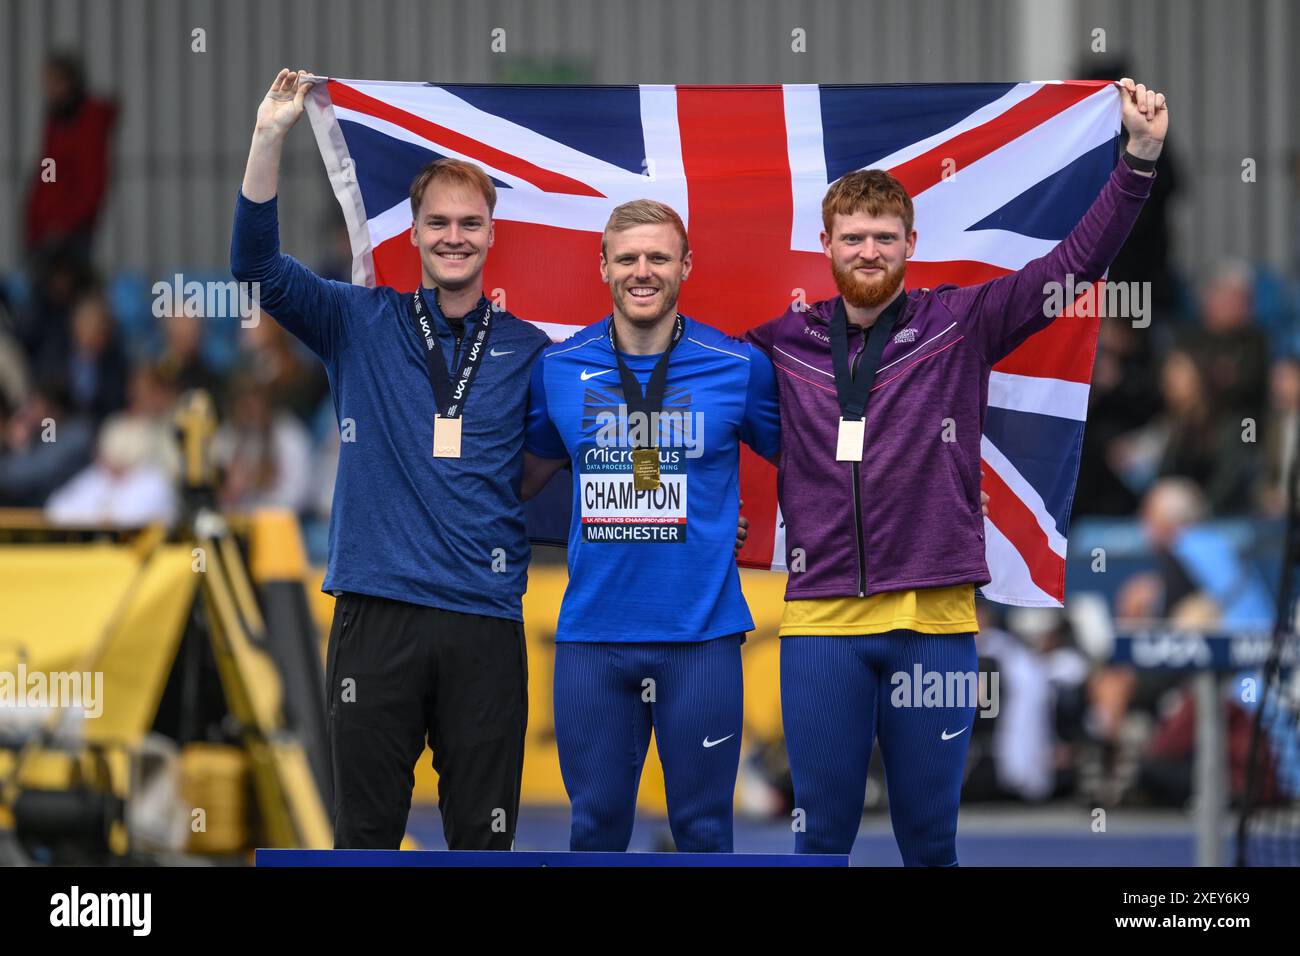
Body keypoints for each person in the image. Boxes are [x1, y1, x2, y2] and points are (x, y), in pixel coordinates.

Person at [745, 78, 1168, 863]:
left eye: (882, 237)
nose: (867, 251)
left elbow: (1076, 265)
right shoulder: (781, 342)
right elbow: (694, 399)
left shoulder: (960, 322)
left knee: (931, 843)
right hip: (819, 630)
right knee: (819, 840)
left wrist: (1137, 161)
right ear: (826, 246)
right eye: (852, 238)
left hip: (934, 629)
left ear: (909, 244)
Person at [232, 69, 550, 850]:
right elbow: (255, 269)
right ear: (410, 232)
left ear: (491, 233)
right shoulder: (356, 319)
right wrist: (269, 137)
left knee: (485, 840)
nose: (453, 236)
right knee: (365, 835)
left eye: (469, 223)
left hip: (485, 622)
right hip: (375, 615)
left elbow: (557, 457)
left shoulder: (528, 348)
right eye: (438, 222)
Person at [522, 200, 781, 852]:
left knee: (703, 830)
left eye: (659, 257)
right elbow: (519, 481)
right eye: (629, 257)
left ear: (685, 266)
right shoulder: (558, 368)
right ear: (604, 265)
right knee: (595, 829)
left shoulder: (738, 367)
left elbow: (813, 464)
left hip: (702, 643)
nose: (643, 270)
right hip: (592, 644)